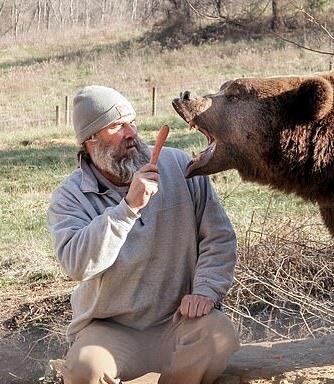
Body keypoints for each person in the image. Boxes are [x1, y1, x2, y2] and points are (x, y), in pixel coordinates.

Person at [47, 85, 239, 384]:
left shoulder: (178, 166)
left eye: (131, 122)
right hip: (110, 329)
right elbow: (77, 265)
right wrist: (128, 208)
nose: (131, 133)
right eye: (117, 126)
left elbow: (218, 237)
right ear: (90, 140)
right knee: (85, 371)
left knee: (219, 336)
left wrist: (206, 290)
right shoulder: (71, 197)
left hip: (180, 321)